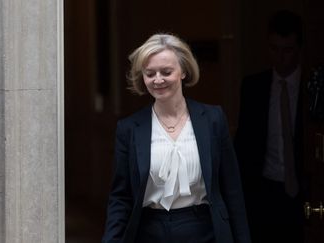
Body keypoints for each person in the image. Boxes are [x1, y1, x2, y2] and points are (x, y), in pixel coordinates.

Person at [102, 33, 251, 243]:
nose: (158, 80)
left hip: (204, 230)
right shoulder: (129, 129)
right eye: (150, 73)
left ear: (183, 71)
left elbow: (232, 189)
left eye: (166, 71)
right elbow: (121, 198)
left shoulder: (212, 119)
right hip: (149, 231)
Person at [234, 10, 304, 243]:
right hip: (264, 191)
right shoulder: (254, 87)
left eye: (287, 50)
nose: (280, 57)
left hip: (305, 193)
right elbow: (243, 143)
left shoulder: (314, 86)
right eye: (274, 49)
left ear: (298, 49)